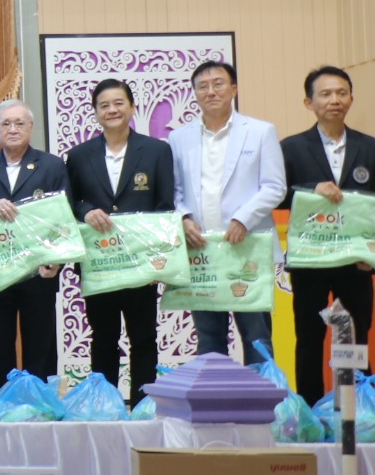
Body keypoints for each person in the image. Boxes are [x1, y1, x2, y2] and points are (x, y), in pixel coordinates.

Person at [66, 78, 176, 403]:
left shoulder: (157, 151)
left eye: (118, 103)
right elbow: (71, 202)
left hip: (142, 264)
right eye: (104, 105)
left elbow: (164, 206)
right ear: (95, 112)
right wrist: (86, 211)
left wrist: (159, 261)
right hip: (99, 262)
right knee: (103, 338)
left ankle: (143, 405)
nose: (112, 110)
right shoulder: (79, 155)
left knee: (143, 337)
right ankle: (105, 405)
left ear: (131, 107)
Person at [170, 60, 285, 358]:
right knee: (209, 339)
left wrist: (243, 219)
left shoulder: (260, 131)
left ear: (234, 89)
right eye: (202, 86)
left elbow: (275, 186)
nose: (211, 91)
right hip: (201, 251)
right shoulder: (178, 138)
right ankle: (214, 389)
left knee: (257, 337)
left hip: (247, 248)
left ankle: (261, 390)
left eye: (218, 84)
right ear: (195, 94)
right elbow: (174, 190)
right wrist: (183, 218)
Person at [280, 66, 375, 403]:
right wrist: (311, 189)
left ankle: (358, 409)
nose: (334, 100)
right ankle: (308, 409)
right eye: (325, 94)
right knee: (308, 337)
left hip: (356, 262)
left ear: (351, 99)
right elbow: (276, 195)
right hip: (311, 260)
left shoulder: (369, 147)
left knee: (355, 337)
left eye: (341, 93)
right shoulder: (290, 148)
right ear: (309, 102)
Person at [0, 99, 69, 386]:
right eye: (6, 124)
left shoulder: (51, 165)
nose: (13, 129)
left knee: (41, 344)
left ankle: (41, 403)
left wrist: (58, 260)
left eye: (19, 123)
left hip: (39, 270)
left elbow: (64, 215)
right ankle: (2, 403)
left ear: (31, 127)